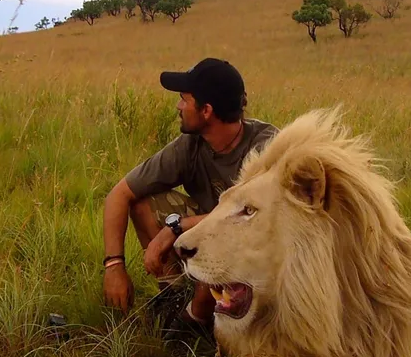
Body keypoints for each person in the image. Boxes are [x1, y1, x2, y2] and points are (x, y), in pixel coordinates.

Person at [100, 57, 278, 336]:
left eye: (184, 99)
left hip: (249, 254)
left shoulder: (267, 150)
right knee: (142, 202)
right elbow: (119, 194)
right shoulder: (192, 144)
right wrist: (114, 267)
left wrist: (177, 226)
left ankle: (197, 320)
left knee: (217, 244)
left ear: (206, 110)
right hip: (208, 239)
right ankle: (174, 298)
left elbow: (255, 222)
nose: (178, 106)